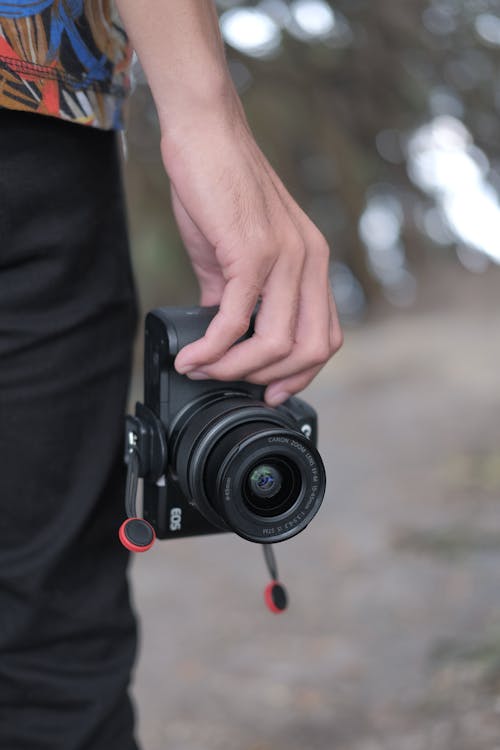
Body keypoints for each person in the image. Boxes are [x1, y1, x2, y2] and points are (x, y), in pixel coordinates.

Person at [0, 1, 343, 748]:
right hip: (31, 95)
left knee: (52, 647)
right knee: (47, 648)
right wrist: (201, 112)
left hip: (34, 119)